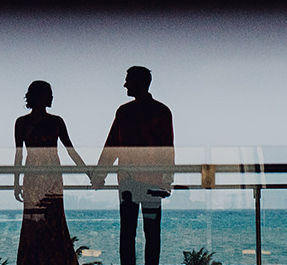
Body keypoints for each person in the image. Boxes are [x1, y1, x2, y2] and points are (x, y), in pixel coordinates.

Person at [92, 66, 173, 265]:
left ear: (139, 82)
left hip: (129, 181)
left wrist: (99, 175)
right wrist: (167, 182)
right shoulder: (161, 111)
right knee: (152, 233)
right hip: (152, 182)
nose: (125, 84)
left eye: (128, 80)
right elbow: (167, 149)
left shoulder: (125, 112)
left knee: (128, 233)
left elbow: (112, 145)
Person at [15, 80, 88, 265]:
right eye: (48, 93)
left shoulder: (55, 122)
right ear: (38, 96)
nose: (52, 97)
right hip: (35, 179)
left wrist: (89, 173)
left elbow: (70, 150)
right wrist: (16, 182)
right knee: (35, 223)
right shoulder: (23, 123)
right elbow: (18, 154)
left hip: (49, 179)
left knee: (53, 223)